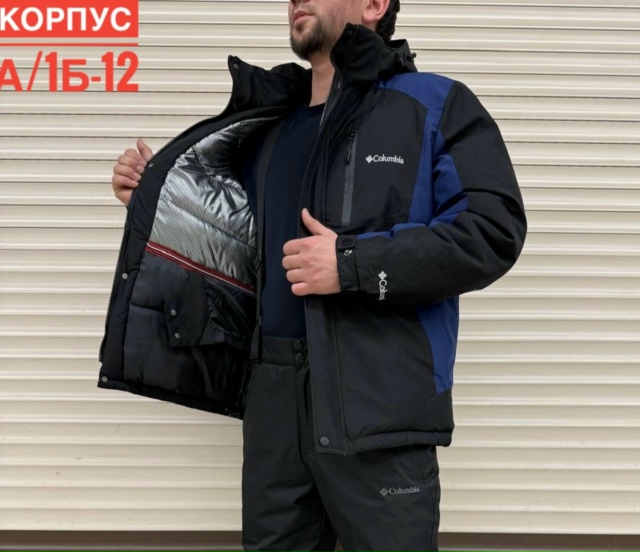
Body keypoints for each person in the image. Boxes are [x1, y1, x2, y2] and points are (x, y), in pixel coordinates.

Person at [104, 0, 527, 550]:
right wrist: (157, 201)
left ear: (374, 5)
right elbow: (235, 241)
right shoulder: (268, 123)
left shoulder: (433, 104)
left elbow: (492, 231)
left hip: (378, 403)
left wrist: (352, 265)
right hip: (273, 401)